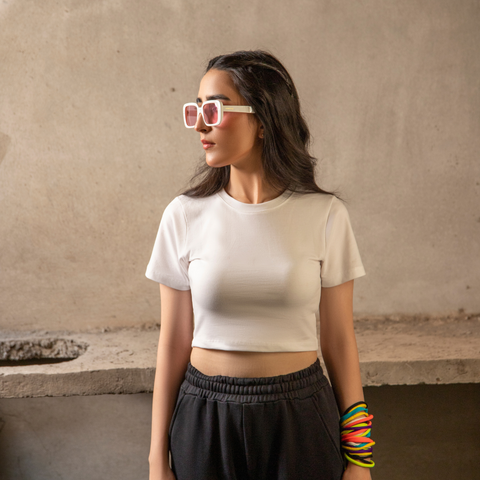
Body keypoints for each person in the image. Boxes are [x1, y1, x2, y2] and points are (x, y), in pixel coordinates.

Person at [146, 50, 374, 480]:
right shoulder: (183, 215)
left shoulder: (325, 215)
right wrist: (157, 460)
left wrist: (360, 460)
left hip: (301, 416)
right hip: (203, 415)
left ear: (264, 119)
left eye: (212, 108)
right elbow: (173, 342)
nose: (199, 123)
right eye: (194, 109)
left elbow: (341, 342)